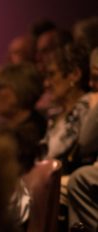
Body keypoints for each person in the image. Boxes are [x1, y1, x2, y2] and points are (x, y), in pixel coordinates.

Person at [41, 43, 92, 174]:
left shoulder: (87, 108)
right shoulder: (55, 114)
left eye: (52, 74)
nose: (46, 83)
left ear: (75, 74)